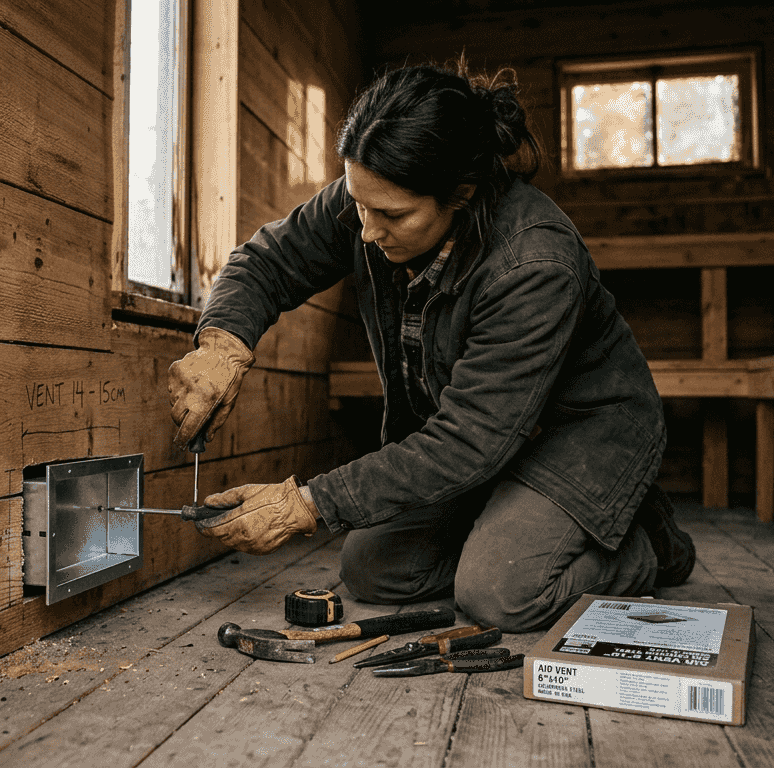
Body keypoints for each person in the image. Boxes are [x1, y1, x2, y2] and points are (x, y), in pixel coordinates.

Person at [167, 61, 694, 633]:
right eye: (359, 205)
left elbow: (469, 439)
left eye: (391, 215)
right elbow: (266, 261)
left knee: (499, 594)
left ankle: (644, 541)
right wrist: (222, 344)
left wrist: (309, 503)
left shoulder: (534, 263)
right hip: (485, 441)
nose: (365, 231)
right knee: (372, 570)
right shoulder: (368, 199)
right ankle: (517, 525)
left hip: (582, 437)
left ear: (460, 194)